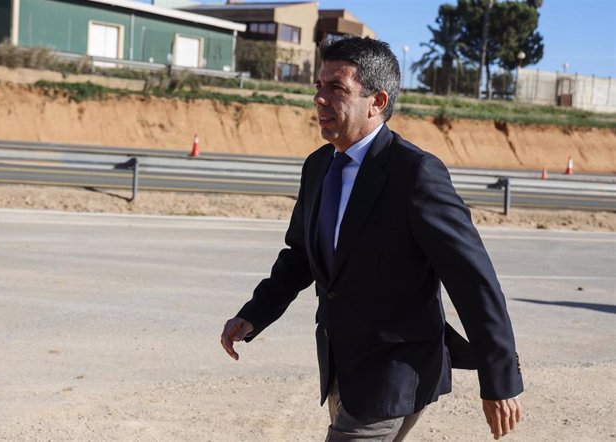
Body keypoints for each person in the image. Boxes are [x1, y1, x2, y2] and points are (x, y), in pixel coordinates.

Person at [220, 36, 523, 441]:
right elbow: (300, 257)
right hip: (340, 364)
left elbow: (473, 280)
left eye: (336, 88)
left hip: (394, 372)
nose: (320, 99)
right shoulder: (318, 167)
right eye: (319, 86)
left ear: (376, 102)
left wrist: (499, 378)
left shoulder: (414, 174)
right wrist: (254, 313)